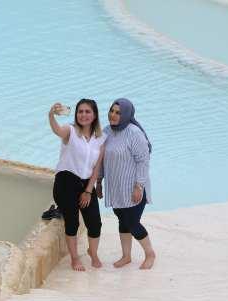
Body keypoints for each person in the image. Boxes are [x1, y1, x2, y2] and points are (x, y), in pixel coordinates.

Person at [98, 98, 156, 269]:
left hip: (133, 188)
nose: (113, 115)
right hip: (116, 188)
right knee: (122, 220)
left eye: (118, 112)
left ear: (126, 115)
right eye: (112, 111)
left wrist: (139, 186)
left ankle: (150, 254)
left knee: (132, 222)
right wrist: (99, 182)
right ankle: (126, 256)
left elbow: (143, 161)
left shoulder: (134, 133)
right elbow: (101, 160)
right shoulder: (106, 131)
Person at [48, 99, 105, 271]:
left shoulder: (101, 138)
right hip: (66, 182)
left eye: (88, 111)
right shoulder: (70, 131)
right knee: (72, 222)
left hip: (86, 184)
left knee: (95, 223)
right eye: (80, 111)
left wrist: (88, 191)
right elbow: (57, 130)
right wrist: (51, 114)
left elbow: (96, 168)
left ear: (94, 115)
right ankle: (74, 257)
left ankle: (93, 252)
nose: (84, 115)